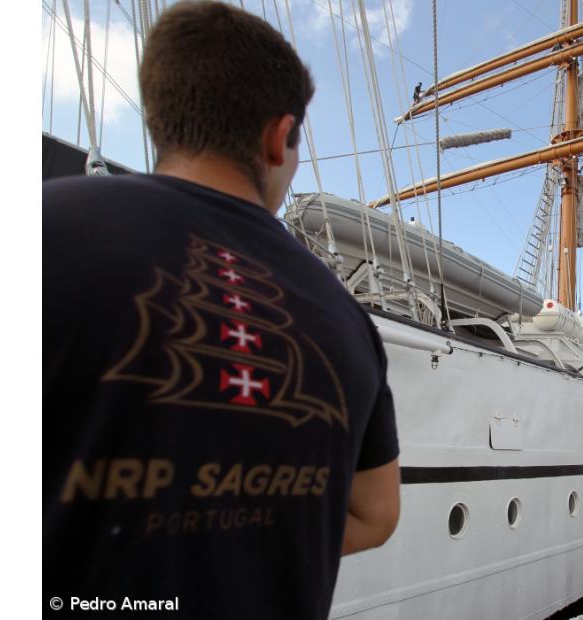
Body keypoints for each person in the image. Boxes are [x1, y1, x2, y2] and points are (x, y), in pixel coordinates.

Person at [43, 4, 400, 617]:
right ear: (276, 136)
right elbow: (376, 513)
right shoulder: (349, 323)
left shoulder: (39, 227)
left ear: (161, 120)